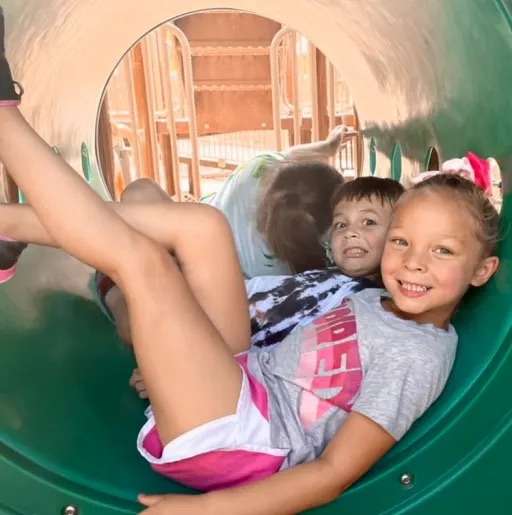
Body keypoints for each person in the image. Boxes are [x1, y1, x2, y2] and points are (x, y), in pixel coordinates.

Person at [0, 15, 500, 515]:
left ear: (483, 271)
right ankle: (9, 227)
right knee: (203, 226)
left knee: (145, 264)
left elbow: (330, 476)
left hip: (243, 440)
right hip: (245, 381)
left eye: (442, 251)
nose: (413, 263)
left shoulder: (417, 357)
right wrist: (179, 363)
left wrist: (206, 510)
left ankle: (4, 117)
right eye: (401, 242)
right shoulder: (373, 296)